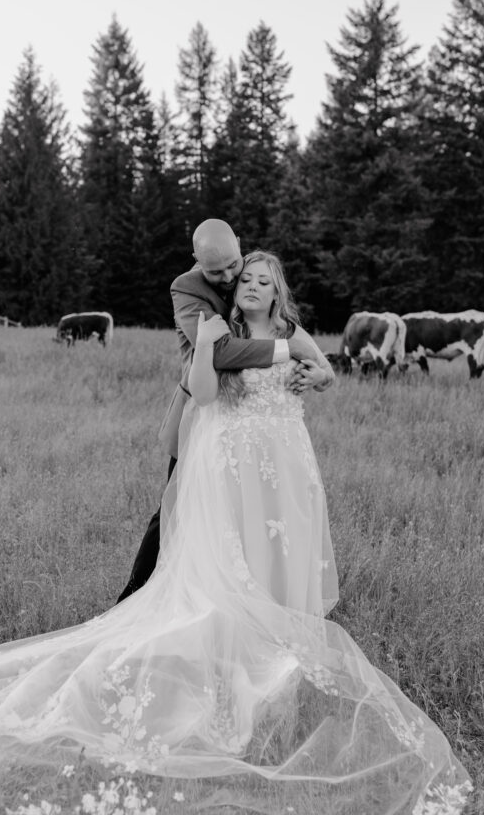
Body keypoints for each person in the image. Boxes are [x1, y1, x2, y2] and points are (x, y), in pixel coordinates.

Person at [0, 249, 471, 815]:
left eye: (264, 281)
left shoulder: (292, 333)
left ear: (278, 293)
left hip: (285, 466)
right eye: (245, 279)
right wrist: (227, 346)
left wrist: (314, 376)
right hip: (231, 465)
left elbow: (327, 372)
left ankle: (274, 669)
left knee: (277, 566)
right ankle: (228, 676)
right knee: (226, 575)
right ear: (233, 287)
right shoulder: (216, 330)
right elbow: (207, 392)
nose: (252, 287)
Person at [116, 218, 333, 601]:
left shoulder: (254, 273)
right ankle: (134, 596)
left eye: (237, 267)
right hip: (207, 417)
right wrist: (287, 351)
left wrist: (315, 370)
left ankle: (259, 595)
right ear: (197, 261)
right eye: (219, 272)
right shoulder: (187, 288)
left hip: (268, 440)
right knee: (176, 508)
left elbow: (320, 363)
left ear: (239, 243)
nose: (234, 278)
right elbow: (219, 352)